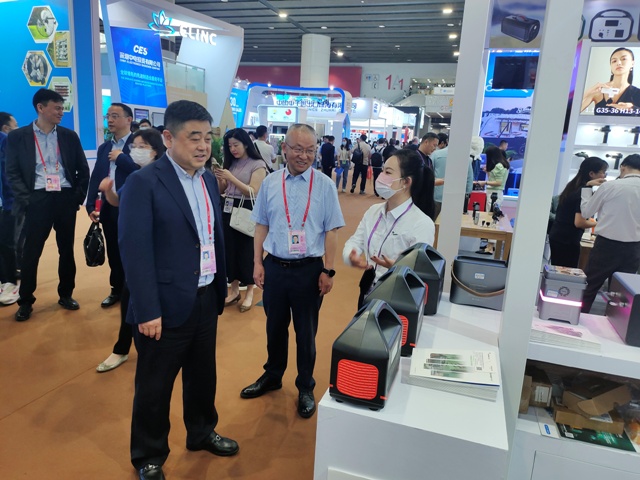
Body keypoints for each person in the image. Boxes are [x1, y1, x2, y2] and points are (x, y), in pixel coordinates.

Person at [118, 100, 238, 480]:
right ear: (168, 138)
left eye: (207, 137)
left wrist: (220, 286)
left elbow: (211, 236)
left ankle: (201, 431)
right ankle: (149, 455)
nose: (203, 146)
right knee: (154, 386)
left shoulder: (207, 179)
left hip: (204, 296)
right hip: (164, 305)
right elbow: (135, 252)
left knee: (203, 375)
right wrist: (147, 309)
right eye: (193, 137)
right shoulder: (144, 183)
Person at [240, 123, 345, 419]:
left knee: (305, 332)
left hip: (309, 271)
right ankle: (273, 375)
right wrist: (257, 262)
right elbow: (261, 224)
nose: (304, 155)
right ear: (284, 148)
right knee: (274, 328)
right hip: (275, 267)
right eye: (298, 149)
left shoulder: (324, 185)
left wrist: (328, 270)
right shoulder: (271, 183)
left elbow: (332, 231)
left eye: (310, 150)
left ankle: (305, 386)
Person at [6, 88, 89, 322]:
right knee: (31, 252)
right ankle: (25, 301)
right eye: (57, 108)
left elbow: (83, 170)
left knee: (66, 250)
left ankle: (66, 294)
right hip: (37, 199)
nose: (61, 112)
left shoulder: (69, 136)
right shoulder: (18, 137)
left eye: (62, 108)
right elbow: (12, 172)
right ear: (40, 108)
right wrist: (27, 199)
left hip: (64, 198)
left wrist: (76, 198)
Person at [96, 128, 166, 373]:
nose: (136, 150)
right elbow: (118, 201)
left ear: (156, 150)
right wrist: (108, 191)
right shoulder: (136, 177)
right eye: (134, 146)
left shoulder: (167, 177)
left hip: (163, 252)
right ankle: (122, 347)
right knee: (129, 296)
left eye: (142, 146)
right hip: (139, 253)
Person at [344, 149, 436, 308]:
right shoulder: (374, 211)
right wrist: (351, 255)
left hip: (397, 299)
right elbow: (355, 241)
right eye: (382, 170)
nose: (381, 176)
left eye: (388, 172)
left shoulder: (421, 223)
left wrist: (398, 266)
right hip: (368, 290)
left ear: (406, 182)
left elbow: (421, 273)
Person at [86, 102, 138, 308]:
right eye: (108, 116)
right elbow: (96, 177)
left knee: (132, 250)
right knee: (114, 251)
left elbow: (142, 171)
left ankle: (133, 291)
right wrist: (91, 204)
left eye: (115, 116)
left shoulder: (138, 144)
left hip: (132, 206)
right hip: (109, 206)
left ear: (128, 119)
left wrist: (122, 158)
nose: (110, 120)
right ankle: (116, 289)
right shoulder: (105, 147)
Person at [214, 128, 268, 313]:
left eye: (235, 145)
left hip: (246, 210)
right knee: (230, 250)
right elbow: (222, 189)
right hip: (228, 208)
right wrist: (221, 179)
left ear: (246, 143)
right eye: (229, 146)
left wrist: (231, 177)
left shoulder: (257, 164)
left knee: (246, 251)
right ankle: (234, 289)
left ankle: (250, 291)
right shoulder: (231, 163)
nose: (233, 149)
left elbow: (253, 191)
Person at [580, 154, 640, 313]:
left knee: (589, 287)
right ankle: (614, 323)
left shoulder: (610, 186)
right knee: (622, 294)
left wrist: (587, 188)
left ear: (623, 167)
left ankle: (578, 320)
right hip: (634, 248)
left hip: (606, 245)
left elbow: (586, 212)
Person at [549, 157, 607, 268]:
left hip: (559, 236)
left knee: (559, 270)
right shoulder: (583, 192)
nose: (604, 176)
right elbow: (579, 222)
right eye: (603, 172)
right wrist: (600, 223)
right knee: (567, 272)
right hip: (567, 239)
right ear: (591, 174)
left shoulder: (573, 186)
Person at [581, 47, 640, 115]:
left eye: (623, 59)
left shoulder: (637, 93)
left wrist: (633, 109)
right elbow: (572, 111)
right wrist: (587, 93)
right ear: (611, 67)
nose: (618, 63)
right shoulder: (599, 91)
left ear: (632, 63)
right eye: (614, 61)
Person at [0, 112, 19, 305]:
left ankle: (10, 284)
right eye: (16, 125)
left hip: (5, 203)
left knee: (6, 244)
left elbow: (8, 175)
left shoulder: (4, 141)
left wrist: (12, 201)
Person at [432, 138, 475, 219]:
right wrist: (467, 195)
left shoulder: (436, 154)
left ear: (447, 141)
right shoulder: (466, 158)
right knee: (452, 221)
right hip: (457, 197)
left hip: (437, 195)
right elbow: (469, 178)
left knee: (434, 221)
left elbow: (429, 173)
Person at [474, 146, 510, 211]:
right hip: (494, 192)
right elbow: (492, 179)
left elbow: (498, 182)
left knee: (490, 213)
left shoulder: (499, 166)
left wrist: (485, 182)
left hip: (494, 193)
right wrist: (488, 171)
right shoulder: (502, 164)